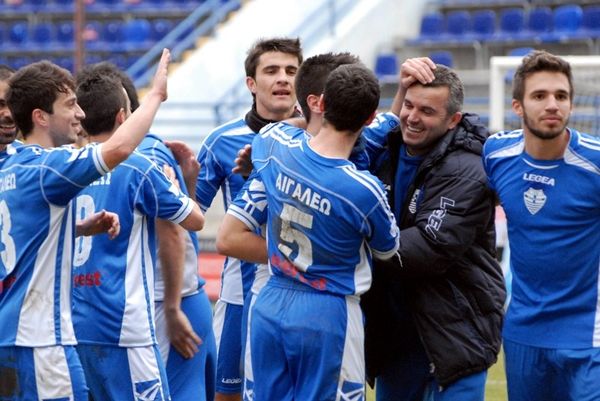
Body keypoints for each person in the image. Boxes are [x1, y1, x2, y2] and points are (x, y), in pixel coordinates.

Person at [218, 51, 402, 400]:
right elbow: (388, 249)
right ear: (369, 118)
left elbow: (272, 134)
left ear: (320, 104)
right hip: (328, 307)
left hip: (271, 299)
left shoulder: (273, 145)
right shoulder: (363, 190)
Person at [0, 49, 171, 401]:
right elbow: (119, 147)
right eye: (70, 105)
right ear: (41, 117)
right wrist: (155, 96)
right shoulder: (50, 168)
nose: (80, 114)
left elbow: (18, 232)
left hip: (7, 336)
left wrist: (76, 228)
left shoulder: (9, 166)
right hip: (42, 343)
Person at [362, 57, 505, 401]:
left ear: (453, 120)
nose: (412, 117)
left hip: (453, 338)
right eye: (408, 105)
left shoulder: (469, 168)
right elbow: (327, 136)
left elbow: (426, 248)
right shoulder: (387, 148)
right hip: (396, 340)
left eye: (427, 111)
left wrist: (344, 243)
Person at [78, 62, 217, 401]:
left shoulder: (66, 162)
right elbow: (177, 227)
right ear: (124, 116)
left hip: (80, 318)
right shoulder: (146, 157)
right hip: (150, 310)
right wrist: (172, 307)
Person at [483, 50, 600, 401]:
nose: (553, 105)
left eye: (561, 96)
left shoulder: (595, 163)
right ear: (517, 106)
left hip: (588, 333)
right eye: (540, 96)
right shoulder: (496, 156)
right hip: (523, 331)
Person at [195, 36, 302, 401]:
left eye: (291, 71)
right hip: (239, 295)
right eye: (271, 71)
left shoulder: (322, 138)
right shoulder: (221, 140)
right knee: (228, 396)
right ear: (252, 84)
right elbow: (190, 213)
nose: (283, 79)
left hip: (308, 291)